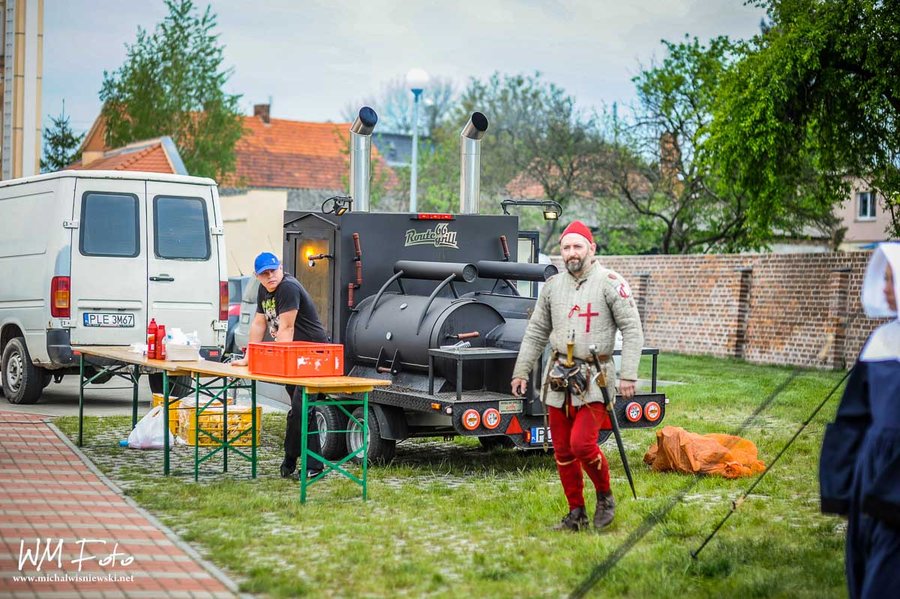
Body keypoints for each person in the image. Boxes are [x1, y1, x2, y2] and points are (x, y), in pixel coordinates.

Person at [511, 221, 644, 531]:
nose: (571, 253)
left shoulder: (610, 282)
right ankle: (576, 514)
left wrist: (629, 375)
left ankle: (605, 496)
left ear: (591, 248)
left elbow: (632, 329)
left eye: (577, 246)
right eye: (566, 247)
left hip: (594, 377)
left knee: (583, 445)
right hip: (558, 377)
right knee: (562, 449)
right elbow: (535, 332)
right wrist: (521, 370)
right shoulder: (553, 286)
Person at [820, 242, 900, 598]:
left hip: (895, 483)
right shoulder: (882, 341)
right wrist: (841, 488)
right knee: (862, 572)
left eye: (892, 279)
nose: (885, 288)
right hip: (869, 477)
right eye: (884, 279)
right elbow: (853, 418)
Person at [232, 252, 329, 479]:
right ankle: (296, 461)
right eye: (264, 273)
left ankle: (302, 463)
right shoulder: (264, 290)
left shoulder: (288, 288)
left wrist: (279, 361)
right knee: (301, 411)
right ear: (257, 276)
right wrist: (249, 357)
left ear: (281, 268)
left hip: (311, 357)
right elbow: (258, 323)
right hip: (294, 360)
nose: (270, 276)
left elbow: (286, 329)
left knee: (302, 410)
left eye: (273, 271)